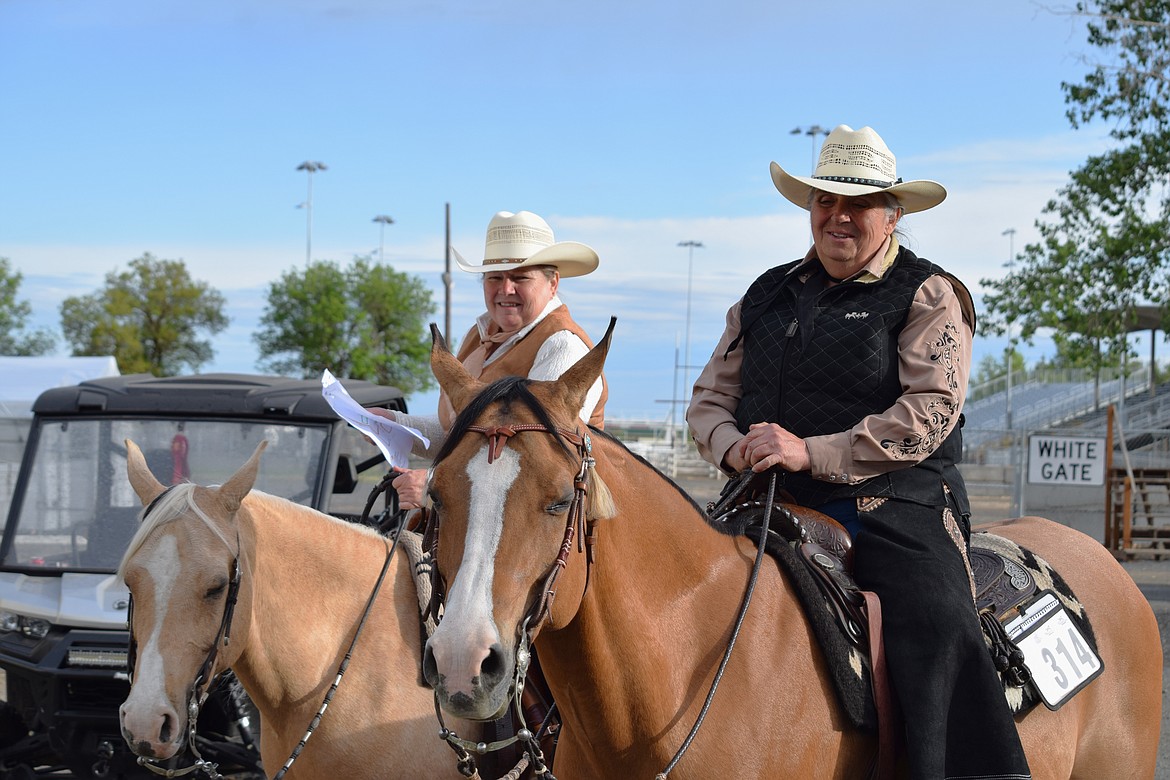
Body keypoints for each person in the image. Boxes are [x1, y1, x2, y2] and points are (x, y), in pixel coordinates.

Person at [687, 125, 1031, 779]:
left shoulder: (930, 293)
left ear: (893, 212)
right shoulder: (764, 295)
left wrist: (807, 452)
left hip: (889, 500)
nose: (837, 217)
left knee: (933, 612)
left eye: (858, 203)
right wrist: (740, 450)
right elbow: (709, 402)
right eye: (824, 201)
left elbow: (928, 415)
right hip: (761, 493)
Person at [373, 209, 606, 510]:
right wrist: (393, 425)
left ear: (553, 283)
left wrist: (434, 485)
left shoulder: (563, 346)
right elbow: (461, 431)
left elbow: (534, 458)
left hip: (546, 527)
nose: (505, 289)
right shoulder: (479, 335)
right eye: (495, 277)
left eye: (520, 278)